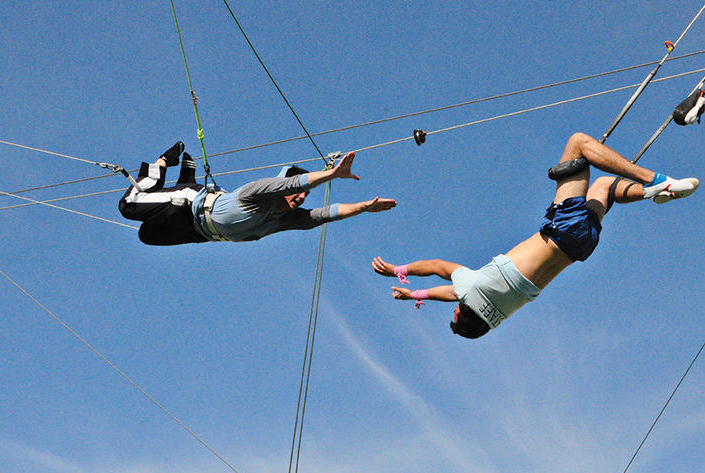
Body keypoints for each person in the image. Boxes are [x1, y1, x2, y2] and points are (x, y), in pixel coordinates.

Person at [372, 132, 699, 339]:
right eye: (457, 313)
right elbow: (437, 265)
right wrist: (400, 269)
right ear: (464, 309)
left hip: (581, 246)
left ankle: (653, 194)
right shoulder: (471, 288)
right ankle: (657, 181)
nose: (455, 307)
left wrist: (415, 296)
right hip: (562, 228)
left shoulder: (498, 312)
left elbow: (451, 294)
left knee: (604, 187)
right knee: (579, 143)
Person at [119, 141, 396, 245]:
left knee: (147, 236)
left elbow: (324, 215)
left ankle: (188, 178)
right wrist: (332, 174)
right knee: (129, 206)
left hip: (197, 232)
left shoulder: (284, 220)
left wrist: (364, 207)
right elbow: (293, 184)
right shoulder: (257, 192)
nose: (300, 199)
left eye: (303, 199)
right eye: (298, 194)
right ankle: (165, 161)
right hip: (185, 205)